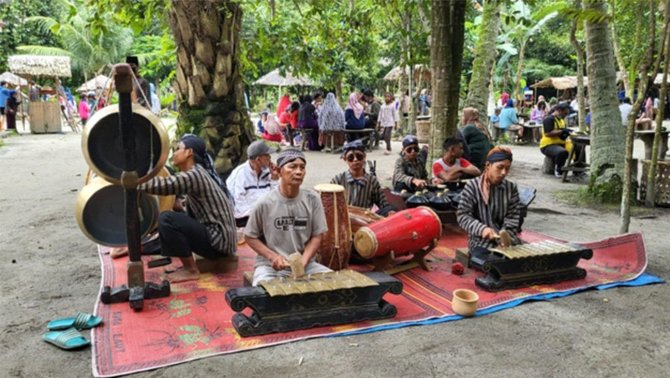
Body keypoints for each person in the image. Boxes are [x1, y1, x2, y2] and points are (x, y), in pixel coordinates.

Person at [139, 134, 237, 283]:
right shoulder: (199, 173)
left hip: (219, 242)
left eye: (178, 149)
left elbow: (164, 186)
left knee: (166, 218)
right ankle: (188, 264)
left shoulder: (195, 175)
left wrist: (135, 182)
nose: (175, 153)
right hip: (220, 241)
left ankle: (190, 270)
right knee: (171, 219)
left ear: (189, 152)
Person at [244, 148, 332, 286]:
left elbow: (317, 236)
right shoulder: (264, 203)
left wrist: (303, 261)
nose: (298, 172)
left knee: (334, 286)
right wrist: (272, 257)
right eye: (292, 166)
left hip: (307, 265)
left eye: (302, 167)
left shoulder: (313, 199)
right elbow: (249, 237)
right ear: (279, 172)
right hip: (270, 267)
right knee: (263, 294)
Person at [457, 147, 521, 269]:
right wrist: (482, 229)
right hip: (480, 242)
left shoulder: (511, 188)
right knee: (490, 265)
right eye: (500, 167)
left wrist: (505, 238)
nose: (504, 172)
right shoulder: (472, 186)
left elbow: (513, 217)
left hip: (507, 242)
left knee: (521, 262)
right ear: (488, 166)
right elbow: (462, 216)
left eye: (507, 168)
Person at [330, 140, 393, 215]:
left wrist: (390, 212)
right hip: (344, 217)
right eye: (351, 158)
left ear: (364, 157)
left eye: (359, 156)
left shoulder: (372, 180)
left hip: (365, 218)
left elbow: (383, 202)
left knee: (391, 210)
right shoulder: (338, 179)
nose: (355, 160)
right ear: (345, 159)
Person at [226, 140, 278, 227]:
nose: (270, 158)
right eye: (267, 156)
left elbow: (276, 197)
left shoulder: (267, 171)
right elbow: (238, 208)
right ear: (258, 160)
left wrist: (275, 178)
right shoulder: (239, 175)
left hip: (266, 215)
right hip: (245, 220)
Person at [540, 102, 582, 178]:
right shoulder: (549, 119)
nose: (565, 115)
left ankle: (578, 170)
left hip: (562, 143)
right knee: (562, 152)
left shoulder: (561, 120)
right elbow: (548, 133)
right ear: (559, 111)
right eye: (565, 113)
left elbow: (563, 131)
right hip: (548, 145)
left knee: (579, 147)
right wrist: (562, 131)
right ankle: (559, 170)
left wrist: (567, 131)